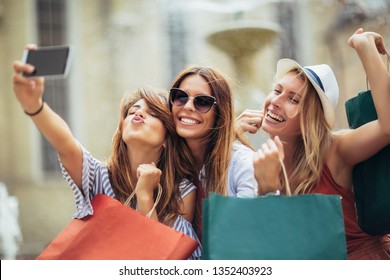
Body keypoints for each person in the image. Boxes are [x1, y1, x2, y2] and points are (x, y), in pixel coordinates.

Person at [12, 46, 201, 259]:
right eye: (133, 111)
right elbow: (65, 143)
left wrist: (145, 195)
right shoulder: (97, 176)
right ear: (121, 130)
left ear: (167, 139)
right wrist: (34, 105)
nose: (139, 113)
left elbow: (158, 263)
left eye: (152, 113)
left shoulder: (182, 192)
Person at [249, 28, 390, 259]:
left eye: (293, 99)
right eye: (277, 91)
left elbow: (387, 126)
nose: (275, 101)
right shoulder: (267, 161)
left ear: (311, 117)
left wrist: (363, 46)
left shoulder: (335, 151)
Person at [169, 66, 258, 239]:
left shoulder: (245, 165)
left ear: (220, 113)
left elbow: (244, 238)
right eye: (180, 97)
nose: (188, 106)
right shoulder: (166, 164)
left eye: (202, 101)